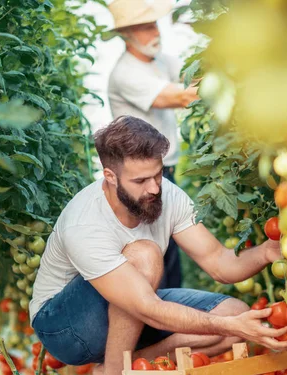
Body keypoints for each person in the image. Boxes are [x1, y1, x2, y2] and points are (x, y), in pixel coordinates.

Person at [29, 116, 287, 375]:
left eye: (157, 174)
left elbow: (219, 262)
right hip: (64, 327)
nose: (154, 188)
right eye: (141, 180)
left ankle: (114, 367)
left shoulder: (166, 195)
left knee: (235, 314)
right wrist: (226, 326)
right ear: (109, 176)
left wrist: (266, 252)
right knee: (144, 254)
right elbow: (145, 306)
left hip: (130, 313)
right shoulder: (83, 223)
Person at [106, 0, 200, 289]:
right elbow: (180, 97)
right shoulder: (126, 73)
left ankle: (175, 322)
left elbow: (190, 75)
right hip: (140, 178)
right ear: (127, 34)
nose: (154, 32)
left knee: (170, 250)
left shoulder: (159, 61)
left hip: (164, 171)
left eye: (154, 24)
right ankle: (157, 325)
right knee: (154, 253)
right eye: (145, 27)